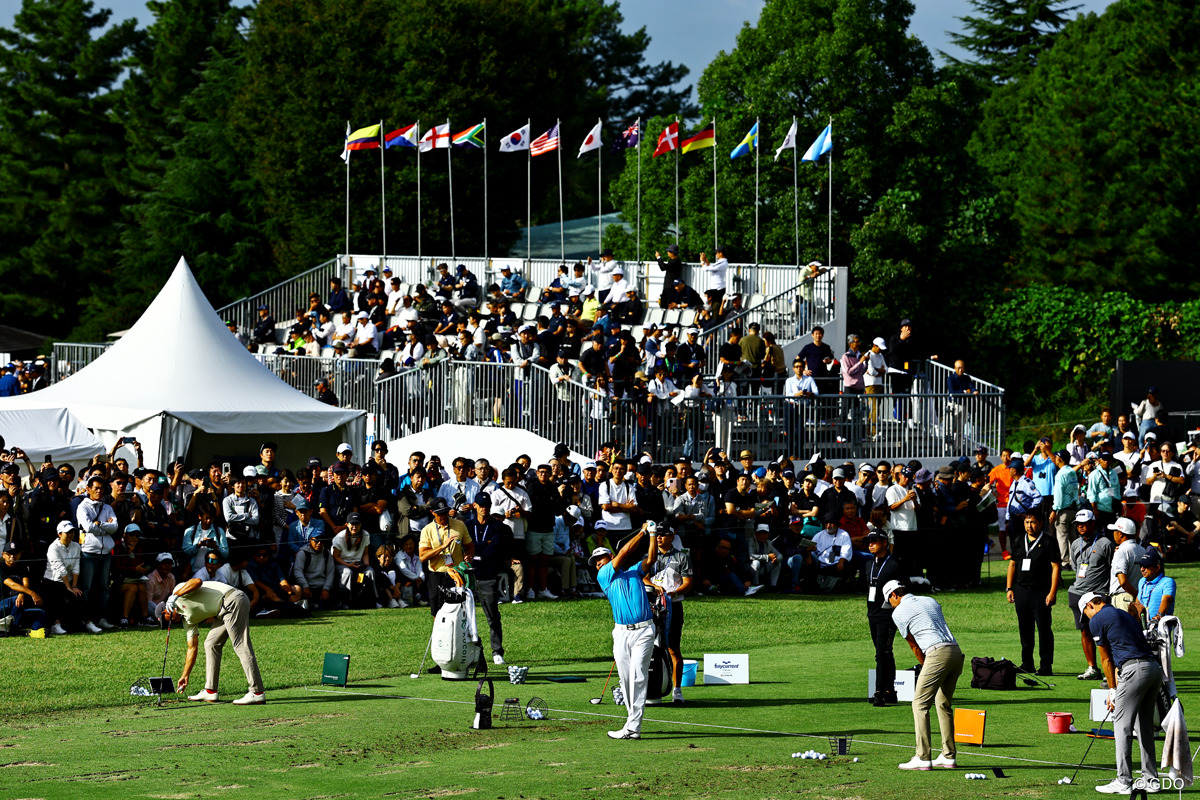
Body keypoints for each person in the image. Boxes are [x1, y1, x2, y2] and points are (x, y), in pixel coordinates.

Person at [1079, 592, 1164, 794]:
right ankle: (1151, 780)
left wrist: (1112, 690)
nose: (1088, 619)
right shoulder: (1123, 614)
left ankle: (1124, 780)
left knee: (1121, 725)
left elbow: (1106, 659)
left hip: (1134, 670)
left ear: (1090, 605)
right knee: (1143, 726)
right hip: (1153, 670)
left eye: (1086, 613)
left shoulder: (1097, 620)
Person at [591, 521, 659, 739]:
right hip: (621, 633)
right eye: (594, 562)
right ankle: (632, 723)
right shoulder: (604, 577)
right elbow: (625, 550)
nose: (597, 565)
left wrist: (653, 535)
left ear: (609, 557)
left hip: (644, 631)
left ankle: (632, 727)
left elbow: (651, 559)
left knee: (638, 675)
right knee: (625, 679)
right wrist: (642, 531)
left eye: (600, 560)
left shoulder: (634, 572)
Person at [886, 580, 963, 771]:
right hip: (955, 651)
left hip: (937, 653)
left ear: (894, 594)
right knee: (943, 704)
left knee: (919, 704)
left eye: (889, 601)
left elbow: (914, 646)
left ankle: (923, 757)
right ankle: (948, 756)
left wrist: (926, 666)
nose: (890, 606)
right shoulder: (930, 600)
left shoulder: (898, 612)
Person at [157, 578, 265, 705]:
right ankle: (210, 691)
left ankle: (257, 692)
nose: (171, 623)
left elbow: (197, 581)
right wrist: (185, 675)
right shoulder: (187, 621)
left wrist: (175, 595)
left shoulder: (178, 591)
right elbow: (192, 647)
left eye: (167, 619)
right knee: (211, 644)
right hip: (222, 611)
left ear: (166, 610)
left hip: (233, 599)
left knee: (240, 645)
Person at [642, 522, 693, 705]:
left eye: (664, 534)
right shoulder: (649, 555)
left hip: (673, 606)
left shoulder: (681, 557)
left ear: (673, 536)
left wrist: (675, 592)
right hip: (651, 607)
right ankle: (648, 687)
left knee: (672, 648)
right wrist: (654, 586)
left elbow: (688, 582)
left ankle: (677, 690)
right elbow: (642, 576)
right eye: (658, 534)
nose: (660, 537)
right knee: (648, 647)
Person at [1005, 511, 1061, 676]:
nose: (1029, 526)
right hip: (1022, 590)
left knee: (1044, 629)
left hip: (1041, 591)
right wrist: (1009, 588)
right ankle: (1027, 663)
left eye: (1033, 522)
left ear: (1041, 523)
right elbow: (1013, 564)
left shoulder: (1049, 542)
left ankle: (1046, 665)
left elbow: (1056, 567)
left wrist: (1052, 592)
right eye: (1027, 522)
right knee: (1025, 628)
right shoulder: (1018, 540)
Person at [1067, 510, 1113, 681]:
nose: (1080, 526)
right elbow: (1075, 566)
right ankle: (1092, 668)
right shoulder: (1075, 544)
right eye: (1078, 523)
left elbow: (1112, 568)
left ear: (1093, 523)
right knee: (1085, 632)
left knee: (1105, 633)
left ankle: (1110, 668)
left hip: (1098, 595)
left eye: (1084, 523)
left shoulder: (1105, 543)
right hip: (1078, 593)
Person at [465, 494, 509, 664]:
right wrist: (484, 545)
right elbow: (465, 546)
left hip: (488, 575)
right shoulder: (468, 525)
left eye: (488, 505)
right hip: (469, 576)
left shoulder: (497, 525)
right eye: (482, 505)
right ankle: (470, 652)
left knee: (492, 615)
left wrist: (476, 552)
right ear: (475, 505)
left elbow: (495, 548)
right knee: (467, 617)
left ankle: (497, 651)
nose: (485, 508)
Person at [417, 497, 474, 617]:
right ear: (432, 513)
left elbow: (469, 546)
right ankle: (438, 635)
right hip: (436, 575)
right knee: (437, 613)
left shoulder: (459, 525)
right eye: (439, 514)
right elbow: (422, 556)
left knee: (458, 610)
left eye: (444, 513)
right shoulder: (427, 530)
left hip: (456, 573)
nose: (443, 517)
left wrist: (469, 556)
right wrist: (443, 547)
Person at [865, 530, 902, 707]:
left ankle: (879, 692)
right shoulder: (868, 564)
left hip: (888, 615)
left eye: (874, 541)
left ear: (884, 543)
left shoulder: (895, 564)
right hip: (872, 614)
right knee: (885, 652)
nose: (870, 544)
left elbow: (904, 590)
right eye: (869, 542)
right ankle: (890, 691)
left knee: (881, 653)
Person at [1130, 548, 1175, 625]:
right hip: (1143, 627)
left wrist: (1159, 616)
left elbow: (1167, 599)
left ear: (1157, 567)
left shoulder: (1167, 582)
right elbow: (1138, 601)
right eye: (1141, 566)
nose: (1142, 569)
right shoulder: (1141, 581)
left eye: (1146, 566)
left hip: (1160, 627)